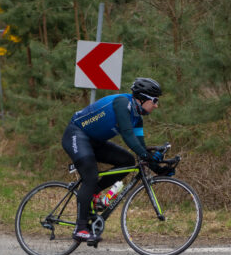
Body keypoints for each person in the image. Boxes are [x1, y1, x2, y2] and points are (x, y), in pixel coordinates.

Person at [61, 77, 164, 242]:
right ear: (143, 98)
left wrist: (159, 167)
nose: (156, 105)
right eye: (155, 101)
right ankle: (80, 229)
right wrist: (146, 155)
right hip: (76, 134)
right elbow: (128, 135)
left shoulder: (137, 118)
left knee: (128, 161)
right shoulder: (122, 104)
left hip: (95, 142)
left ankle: (94, 192)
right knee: (90, 176)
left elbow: (141, 148)